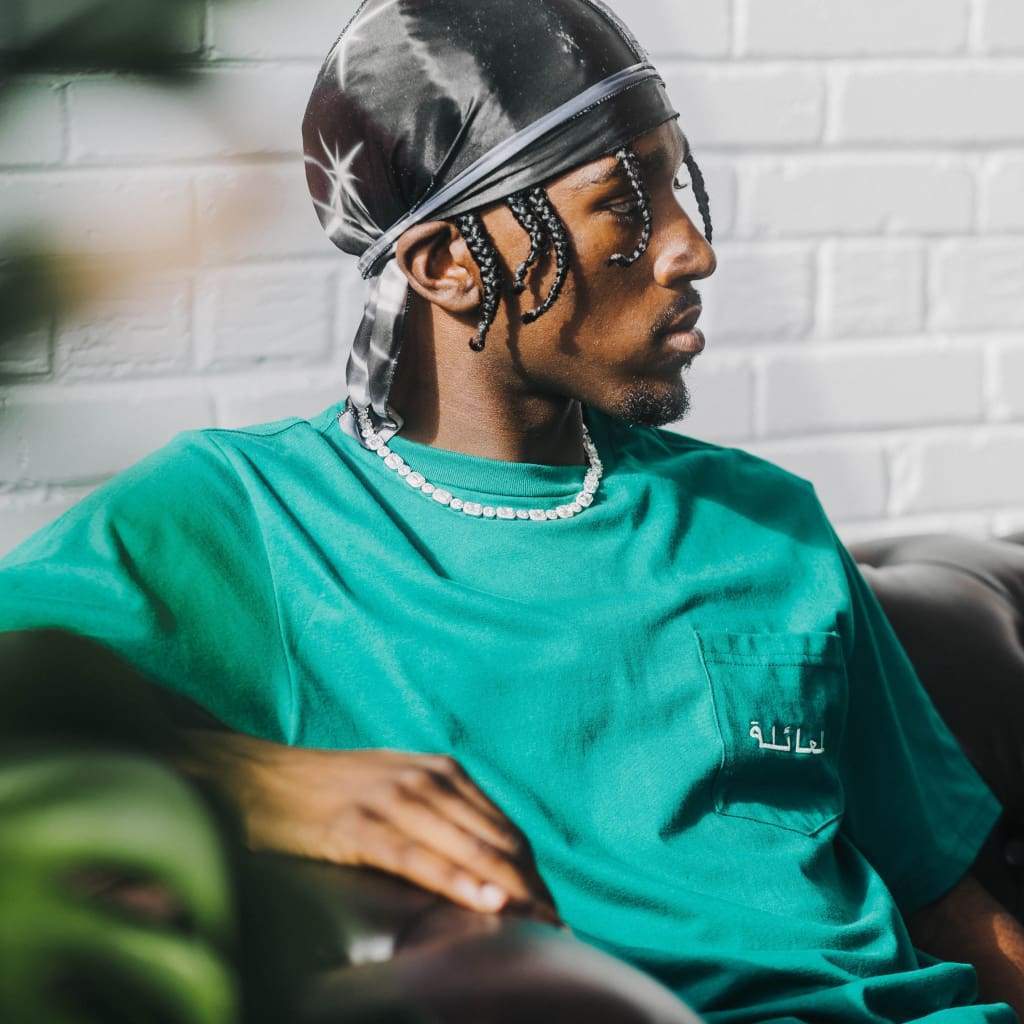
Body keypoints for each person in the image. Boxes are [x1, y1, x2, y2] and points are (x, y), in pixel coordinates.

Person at [1, 1, 1023, 1020]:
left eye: (678, 188)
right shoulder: (253, 517)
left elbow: (945, 900)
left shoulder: (766, 520)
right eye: (625, 206)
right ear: (446, 264)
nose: (689, 250)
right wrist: (247, 781)